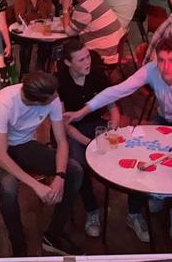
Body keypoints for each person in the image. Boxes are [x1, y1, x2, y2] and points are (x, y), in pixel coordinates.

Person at [65, 37, 172, 243]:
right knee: (144, 154)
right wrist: (81, 112)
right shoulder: (151, 69)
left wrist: (171, 144)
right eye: (161, 60)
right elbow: (117, 90)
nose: (165, 67)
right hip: (164, 119)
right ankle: (154, 196)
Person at [0, 72, 84, 256]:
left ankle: (53, 235)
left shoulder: (51, 96)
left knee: (74, 171)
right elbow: (0, 155)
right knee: (9, 187)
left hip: (25, 143)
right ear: (38, 102)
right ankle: (18, 245)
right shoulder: (5, 101)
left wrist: (60, 176)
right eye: (52, 98)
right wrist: (36, 186)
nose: (56, 98)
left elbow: (61, 141)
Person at [56, 38, 120, 238]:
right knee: (79, 165)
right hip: (71, 130)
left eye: (88, 57)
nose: (88, 62)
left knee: (121, 154)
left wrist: (112, 129)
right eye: (81, 60)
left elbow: (113, 109)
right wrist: (90, 143)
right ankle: (92, 210)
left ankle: (133, 211)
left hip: (96, 124)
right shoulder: (59, 81)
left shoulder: (98, 75)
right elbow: (64, 124)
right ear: (68, 63)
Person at [61, 0, 124, 67]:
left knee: (66, 58)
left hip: (102, 56)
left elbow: (68, 32)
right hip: (115, 50)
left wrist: (65, 9)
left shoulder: (83, 8)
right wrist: (71, 12)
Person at [14, 0, 54, 74]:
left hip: (41, 30)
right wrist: (37, 16)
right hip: (26, 31)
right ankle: (24, 73)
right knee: (26, 44)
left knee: (47, 43)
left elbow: (46, 16)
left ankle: (40, 71)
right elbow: (20, 18)